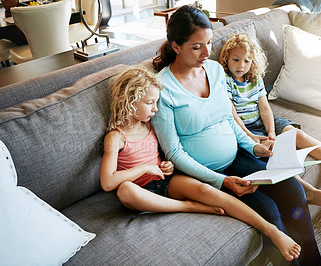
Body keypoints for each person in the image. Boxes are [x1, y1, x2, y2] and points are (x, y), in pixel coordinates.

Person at [152, 5, 321, 265]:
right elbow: (173, 152)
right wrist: (221, 181)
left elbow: (228, 120)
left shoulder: (216, 71)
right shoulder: (163, 88)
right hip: (204, 173)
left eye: (209, 43)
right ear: (176, 46)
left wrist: (254, 147)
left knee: (293, 188)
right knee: (269, 211)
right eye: (197, 47)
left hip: (238, 157)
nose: (207, 53)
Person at [100, 66, 302, 262]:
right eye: (149, 103)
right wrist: (144, 168)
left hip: (164, 182)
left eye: (156, 102)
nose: (155, 108)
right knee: (125, 190)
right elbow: (108, 182)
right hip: (140, 191)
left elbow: (163, 154)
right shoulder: (116, 137)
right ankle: (189, 206)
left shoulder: (149, 124)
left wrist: (166, 165)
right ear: (129, 101)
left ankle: (272, 230)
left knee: (209, 190)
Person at [218, 33, 321, 200]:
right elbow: (231, 112)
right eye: (235, 59)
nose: (241, 65)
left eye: (247, 61)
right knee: (273, 159)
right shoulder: (225, 80)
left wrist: (272, 132)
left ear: (252, 62)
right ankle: (309, 191)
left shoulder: (254, 78)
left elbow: (265, 108)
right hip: (243, 130)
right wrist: (250, 136)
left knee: (298, 135)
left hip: (262, 121)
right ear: (226, 58)